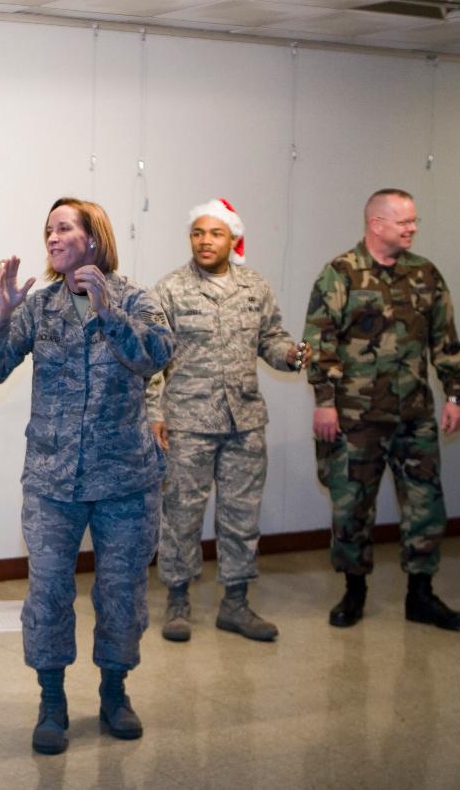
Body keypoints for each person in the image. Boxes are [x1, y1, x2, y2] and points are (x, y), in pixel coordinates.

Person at [0, 198, 172, 754]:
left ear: (94, 239)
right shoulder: (40, 305)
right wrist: (3, 315)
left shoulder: (136, 299)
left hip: (125, 478)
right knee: (49, 593)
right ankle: (51, 700)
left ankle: (114, 691)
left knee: (121, 593)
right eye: (48, 230)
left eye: (63, 228)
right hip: (53, 481)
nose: (52, 238)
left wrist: (109, 312)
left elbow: (156, 355)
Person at [146, 199, 310, 643]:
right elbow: (151, 359)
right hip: (188, 422)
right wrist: (154, 413)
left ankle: (235, 604)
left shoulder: (255, 287)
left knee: (242, 517)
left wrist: (292, 355)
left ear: (232, 239)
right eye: (198, 233)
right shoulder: (170, 289)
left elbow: (272, 339)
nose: (205, 240)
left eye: (215, 233)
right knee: (181, 515)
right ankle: (178, 601)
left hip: (245, 421)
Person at [305, 188, 460, 631]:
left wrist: (454, 396)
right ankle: (353, 592)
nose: (413, 228)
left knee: (425, 504)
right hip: (356, 419)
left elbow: (445, 340)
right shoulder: (340, 274)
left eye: (414, 221)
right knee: (351, 508)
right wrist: (324, 403)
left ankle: (421, 594)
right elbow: (318, 345)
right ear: (376, 224)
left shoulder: (426, 274)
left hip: (414, 415)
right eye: (404, 222)